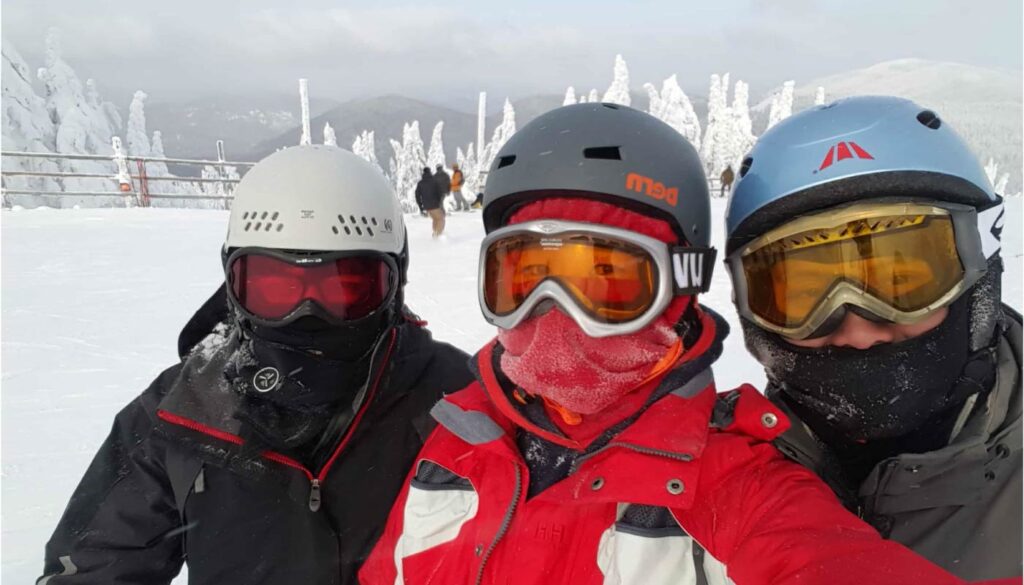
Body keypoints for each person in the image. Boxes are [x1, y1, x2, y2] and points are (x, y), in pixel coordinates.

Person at [360, 104, 966, 585]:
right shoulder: (457, 441)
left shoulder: (739, 487)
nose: (554, 317)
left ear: (680, 289)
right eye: (523, 280)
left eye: (608, 281)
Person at [38, 146, 473, 584]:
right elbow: (94, 563)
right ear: (233, 286)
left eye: (346, 288)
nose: (308, 313)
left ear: (394, 286)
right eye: (274, 288)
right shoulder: (185, 410)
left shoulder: (461, 402)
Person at [724, 96, 1021, 581]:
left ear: (978, 272)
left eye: (903, 282)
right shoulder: (716, 487)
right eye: (803, 294)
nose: (858, 330)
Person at [416, 166, 444, 237]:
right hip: (435, 205)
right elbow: (440, 193)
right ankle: (438, 235)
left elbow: (417, 196)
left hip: (426, 206)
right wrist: (440, 202)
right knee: (441, 219)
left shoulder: (420, 183)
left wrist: (421, 207)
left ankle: (435, 233)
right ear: (430, 172)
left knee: (435, 219)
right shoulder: (434, 181)